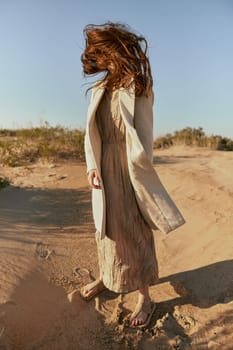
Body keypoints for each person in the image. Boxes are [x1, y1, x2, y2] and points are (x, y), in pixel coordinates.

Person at [80, 22, 185, 328]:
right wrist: (91, 166)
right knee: (106, 227)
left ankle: (145, 297)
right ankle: (107, 277)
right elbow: (91, 134)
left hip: (127, 167)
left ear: (111, 50)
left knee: (132, 229)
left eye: (98, 55)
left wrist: (139, 170)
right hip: (103, 164)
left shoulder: (138, 85)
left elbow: (145, 133)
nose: (97, 62)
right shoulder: (99, 89)